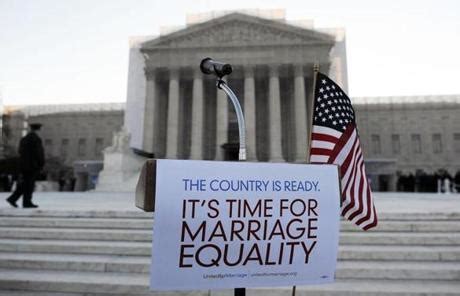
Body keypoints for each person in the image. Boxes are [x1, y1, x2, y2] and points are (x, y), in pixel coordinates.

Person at [6, 123, 45, 208]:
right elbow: (39, 153)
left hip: (24, 165)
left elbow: (20, 151)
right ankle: (26, 202)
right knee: (29, 184)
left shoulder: (24, 139)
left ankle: (13, 199)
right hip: (32, 165)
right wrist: (41, 163)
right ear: (38, 130)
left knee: (25, 184)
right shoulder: (36, 139)